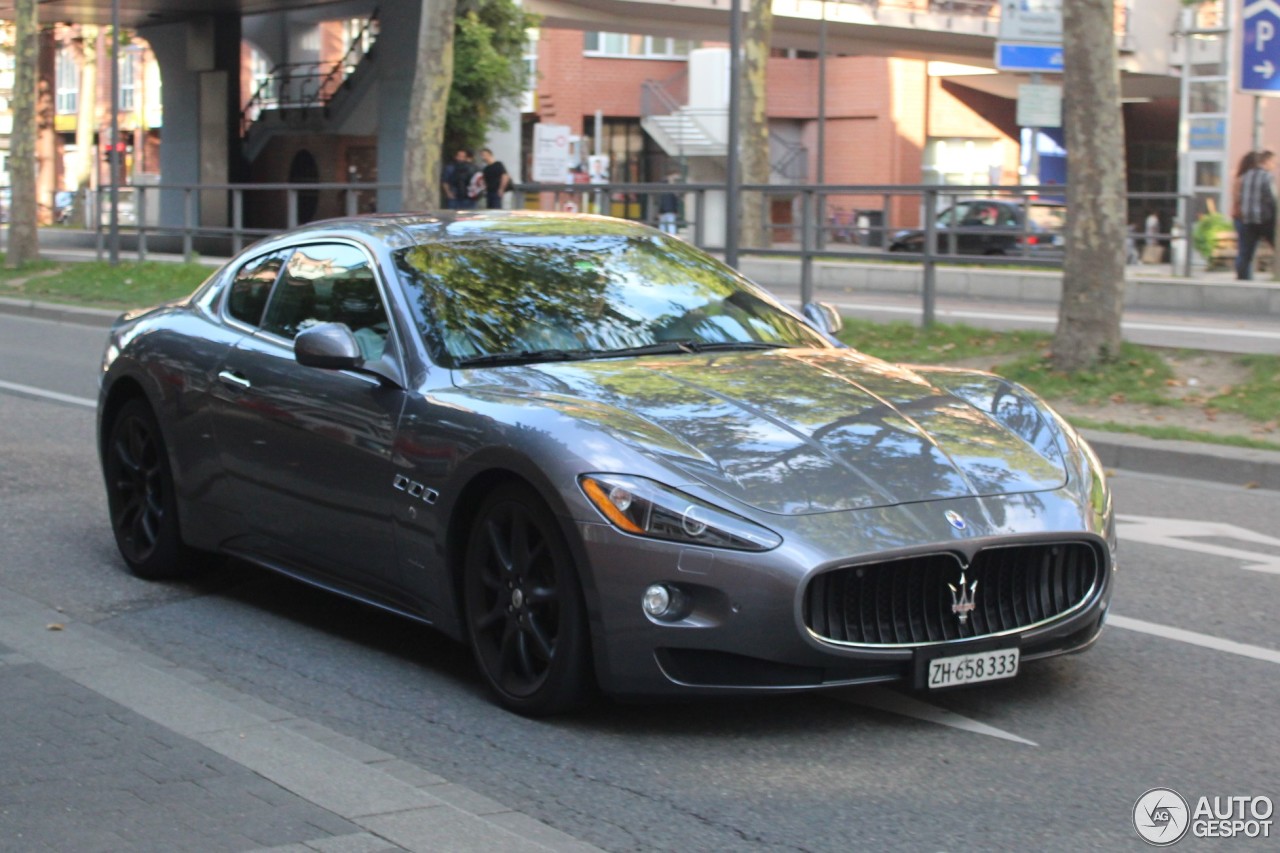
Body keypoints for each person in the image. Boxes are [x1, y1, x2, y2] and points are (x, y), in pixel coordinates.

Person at [1236, 150, 1276, 280]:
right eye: (1273, 162)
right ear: (1265, 162)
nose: (1275, 165)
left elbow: (1240, 198)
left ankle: (1242, 280)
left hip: (1248, 220)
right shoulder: (1267, 176)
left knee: (1245, 254)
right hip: (1265, 220)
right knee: (1276, 246)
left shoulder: (1245, 176)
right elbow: (1272, 198)